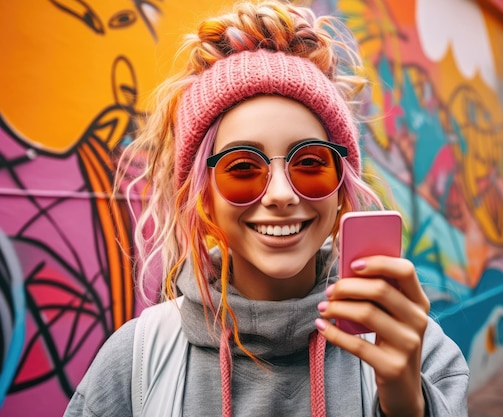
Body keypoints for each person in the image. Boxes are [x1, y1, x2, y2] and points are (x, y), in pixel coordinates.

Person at [64, 1, 469, 416]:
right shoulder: (134, 365)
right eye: (242, 168)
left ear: (340, 186)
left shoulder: (423, 356)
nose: (280, 195)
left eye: (310, 163)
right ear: (202, 195)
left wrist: (407, 403)